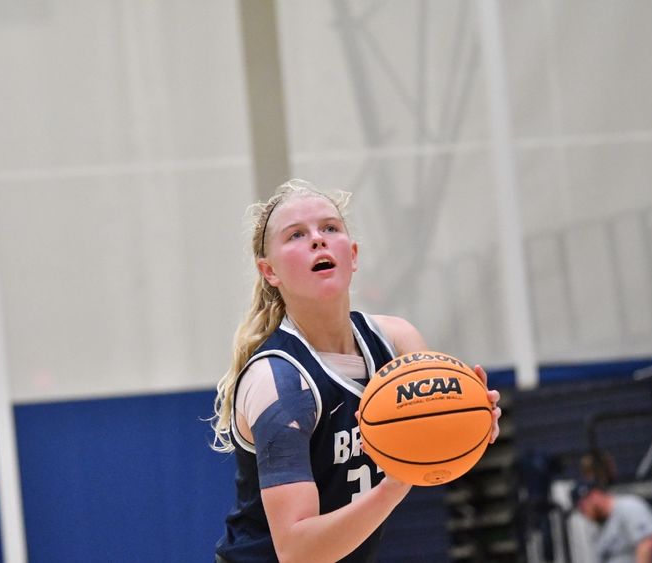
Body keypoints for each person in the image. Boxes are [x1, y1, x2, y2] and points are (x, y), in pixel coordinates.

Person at [211, 179, 502, 562]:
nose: (318, 240)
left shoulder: (396, 341)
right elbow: (297, 551)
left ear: (352, 254)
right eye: (296, 235)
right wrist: (397, 483)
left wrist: (474, 425)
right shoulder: (280, 382)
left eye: (330, 228)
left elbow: (435, 448)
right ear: (270, 272)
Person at [572, 480, 652, 563]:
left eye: (582, 506)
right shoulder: (599, 529)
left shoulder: (628, 506)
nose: (583, 512)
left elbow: (647, 543)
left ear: (594, 495)